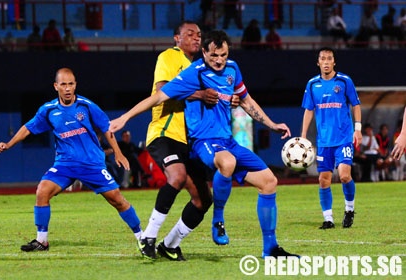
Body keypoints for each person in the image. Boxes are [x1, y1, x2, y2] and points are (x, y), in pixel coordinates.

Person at [110, 30, 299, 258]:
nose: (219, 61)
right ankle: (218, 220)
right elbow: (158, 97)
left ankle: (270, 248)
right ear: (204, 53)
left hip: (227, 141)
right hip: (203, 142)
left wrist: (271, 123)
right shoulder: (194, 73)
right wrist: (125, 117)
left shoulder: (232, 68)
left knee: (269, 182)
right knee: (226, 163)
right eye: (214, 56)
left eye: (223, 55)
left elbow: (246, 100)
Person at [0, 68, 142, 252]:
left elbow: (106, 127)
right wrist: (9, 144)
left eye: (71, 84)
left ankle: (142, 237)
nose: (67, 88)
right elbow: (28, 128)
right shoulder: (48, 110)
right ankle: (42, 241)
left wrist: (118, 152)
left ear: (75, 85)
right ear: (56, 86)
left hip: (91, 164)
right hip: (65, 164)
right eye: (63, 84)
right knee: (42, 191)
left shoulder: (86, 105)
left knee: (117, 200)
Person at [114, 21, 219, 261]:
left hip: (188, 141)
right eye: (189, 34)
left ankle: (170, 244)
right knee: (177, 176)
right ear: (176, 38)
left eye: (199, 35)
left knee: (203, 200)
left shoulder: (200, 67)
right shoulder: (170, 56)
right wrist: (200, 94)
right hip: (164, 132)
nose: (196, 38)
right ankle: (148, 237)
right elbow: (161, 89)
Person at [301, 47, 362, 230]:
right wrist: (303, 136)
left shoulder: (344, 81)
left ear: (334, 62)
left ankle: (349, 209)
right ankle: (328, 219)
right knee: (323, 180)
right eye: (323, 59)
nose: (326, 62)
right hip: (324, 141)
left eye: (329, 59)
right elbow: (308, 110)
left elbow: (356, 105)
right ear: (318, 62)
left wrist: (357, 129)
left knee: (344, 176)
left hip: (343, 138)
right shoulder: (312, 84)